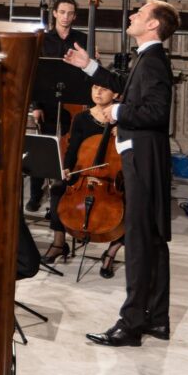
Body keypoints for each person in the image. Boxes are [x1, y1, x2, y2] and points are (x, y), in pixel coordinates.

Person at [64, 0, 178, 347]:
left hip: (143, 158)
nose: (132, 16)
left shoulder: (153, 61)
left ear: (153, 24)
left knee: (140, 241)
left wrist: (117, 112)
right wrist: (89, 66)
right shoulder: (148, 57)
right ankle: (156, 319)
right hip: (144, 156)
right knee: (152, 239)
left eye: (140, 14)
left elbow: (157, 112)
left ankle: (130, 325)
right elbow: (123, 84)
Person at [41, 83, 123, 272]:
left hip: (111, 178)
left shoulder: (123, 119)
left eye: (104, 89)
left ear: (116, 94)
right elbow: (73, 148)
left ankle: (111, 251)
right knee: (58, 188)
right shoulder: (81, 118)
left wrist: (125, 133)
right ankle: (59, 243)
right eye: (95, 88)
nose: (98, 92)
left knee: (135, 202)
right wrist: (66, 168)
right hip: (83, 173)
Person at [26, 0, 87, 211]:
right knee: (42, 150)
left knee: (70, 150)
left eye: (70, 13)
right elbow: (35, 74)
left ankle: (64, 196)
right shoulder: (43, 39)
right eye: (62, 12)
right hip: (48, 103)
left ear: (75, 16)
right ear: (55, 13)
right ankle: (36, 195)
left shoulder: (82, 39)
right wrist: (36, 106)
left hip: (73, 104)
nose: (65, 17)